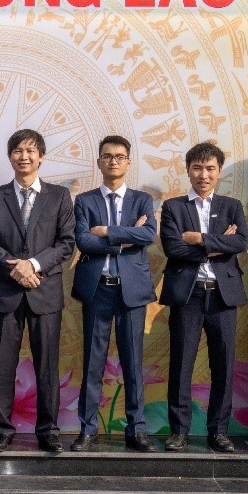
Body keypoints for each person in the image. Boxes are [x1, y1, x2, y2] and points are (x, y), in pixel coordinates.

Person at [0, 128, 76, 453]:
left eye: (30, 151)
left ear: (41, 156)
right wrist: (16, 269)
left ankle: (48, 431)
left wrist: (32, 265)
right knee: (3, 366)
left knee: (47, 366)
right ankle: (2, 431)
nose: (24, 156)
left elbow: (66, 243)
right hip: (6, 294)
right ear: (10, 157)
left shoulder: (59, 196)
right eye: (18, 151)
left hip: (44, 294)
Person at [159, 141, 248, 453]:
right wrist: (218, 243)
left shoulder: (231, 206)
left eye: (210, 168)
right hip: (188, 295)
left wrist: (200, 239)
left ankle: (218, 431)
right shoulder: (173, 207)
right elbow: (173, 248)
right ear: (188, 170)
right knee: (181, 364)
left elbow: (240, 242)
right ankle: (179, 431)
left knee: (223, 365)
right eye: (197, 168)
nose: (204, 175)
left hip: (223, 296)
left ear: (219, 171)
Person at [72, 135, 158, 452]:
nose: (113, 161)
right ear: (99, 162)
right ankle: (88, 430)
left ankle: (137, 430)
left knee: (132, 364)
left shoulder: (142, 200)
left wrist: (108, 231)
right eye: (107, 156)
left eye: (120, 157)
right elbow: (84, 241)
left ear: (128, 162)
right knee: (93, 363)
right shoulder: (85, 201)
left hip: (131, 291)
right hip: (98, 289)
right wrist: (126, 239)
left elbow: (148, 234)